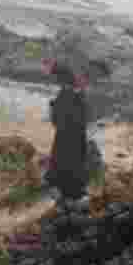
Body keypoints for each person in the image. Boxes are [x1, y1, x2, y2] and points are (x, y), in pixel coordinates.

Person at [43, 58, 91, 207]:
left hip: (68, 137)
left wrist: (54, 110)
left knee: (65, 164)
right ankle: (71, 194)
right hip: (73, 137)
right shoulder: (75, 95)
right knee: (71, 165)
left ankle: (68, 194)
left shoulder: (69, 95)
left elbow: (58, 119)